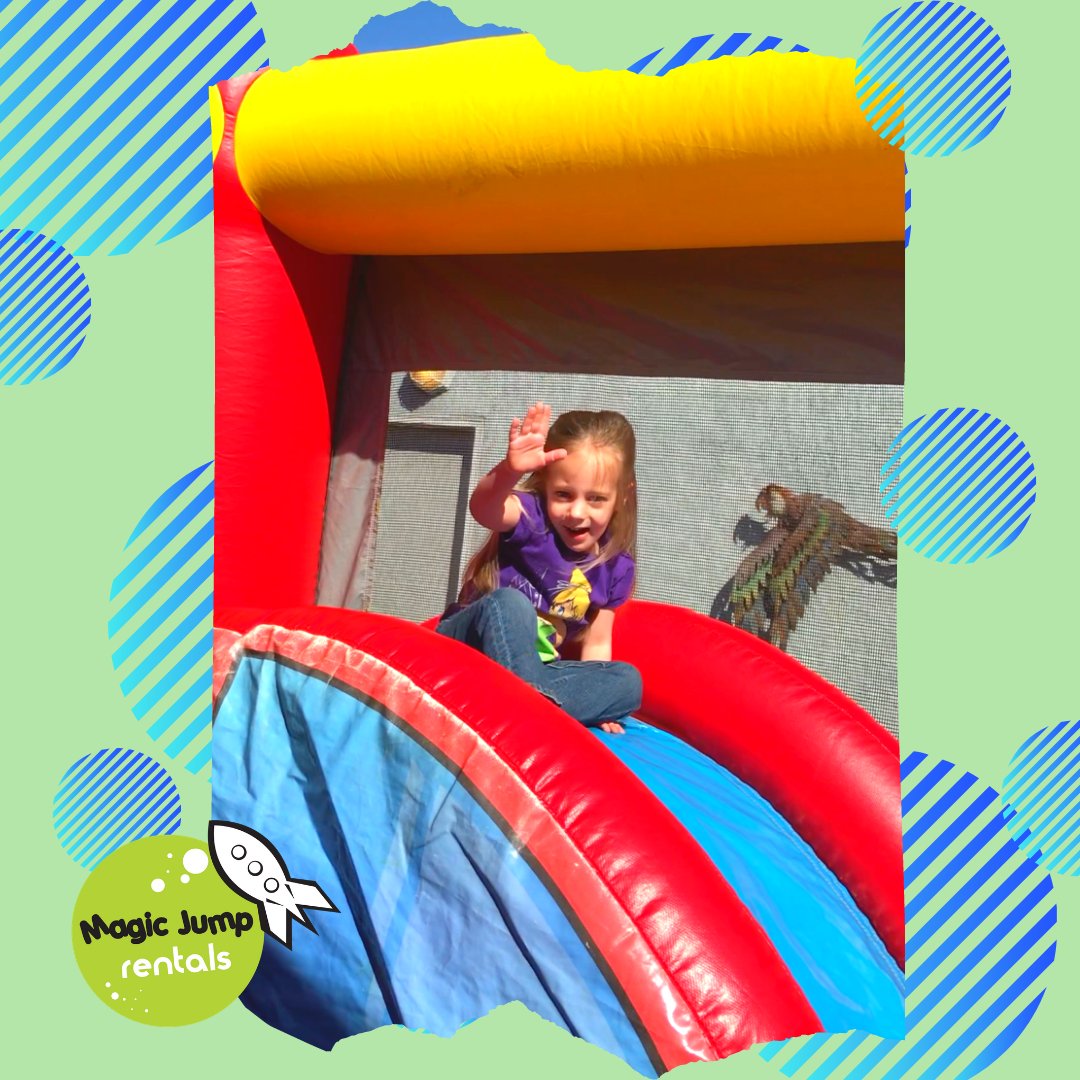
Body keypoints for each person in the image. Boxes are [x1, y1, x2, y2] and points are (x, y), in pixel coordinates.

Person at [437, 403, 642, 734]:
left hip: (535, 672)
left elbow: (597, 644)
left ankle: (525, 701)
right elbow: (483, 508)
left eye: (595, 499)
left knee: (627, 682)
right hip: (468, 647)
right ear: (545, 485)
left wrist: (597, 700)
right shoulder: (532, 520)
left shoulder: (615, 566)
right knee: (509, 604)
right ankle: (530, 705)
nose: (577, 513)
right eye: (563, 494)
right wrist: (510, 470)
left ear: (621, 497)